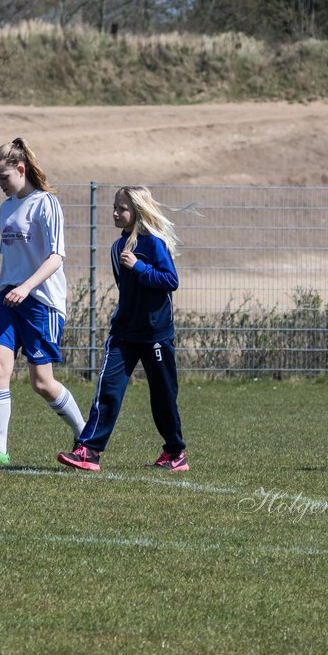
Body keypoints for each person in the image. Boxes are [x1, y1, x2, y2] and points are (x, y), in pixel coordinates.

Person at [57, 186, 188, 472]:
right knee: (108, 389)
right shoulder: (117, 247)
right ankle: (89, 451)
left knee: (163, 395)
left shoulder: (154, 244)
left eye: (122, 208)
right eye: (115, 207)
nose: (116, 213)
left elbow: (170, 281)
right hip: (124, 333)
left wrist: (140, 268)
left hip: (155, 335)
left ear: (138, 211)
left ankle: (175, 452)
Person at [0, 138, 85, 468]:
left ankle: (85, 436)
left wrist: (26, 288)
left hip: (41, 302)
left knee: (41, 382)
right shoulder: (6, 208)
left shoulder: (46, 203)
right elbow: (11, 266)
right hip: (8, 300)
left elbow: (56, 257)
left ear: (21, 170)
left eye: (3, 177)